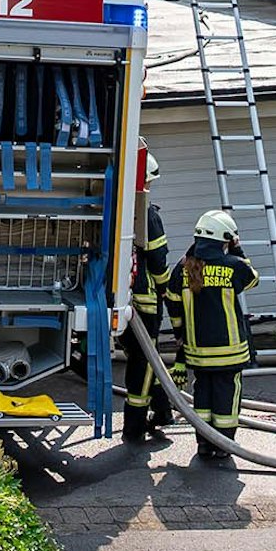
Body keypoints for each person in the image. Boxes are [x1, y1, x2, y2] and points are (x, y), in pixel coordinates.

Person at [168, 209, 258, 463]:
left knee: (203, 395)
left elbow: (172, 302)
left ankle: (205, 443)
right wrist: (238, 250)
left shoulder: (183, 269)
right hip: (229, 351)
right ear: (225, 239)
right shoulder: (233, 266)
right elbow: (252, 278)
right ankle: (224, 443)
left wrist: (179, 335)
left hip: (196, 351)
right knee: (226, 397)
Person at [123, 152, 174, 442]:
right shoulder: (148, 215)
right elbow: (158, 259)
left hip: (125, 297)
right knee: (144, 361)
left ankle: (164, 410)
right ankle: (135, 426)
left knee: (141, 358)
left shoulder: (118, 207)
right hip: (146, 299)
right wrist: (167, 287)